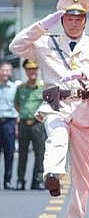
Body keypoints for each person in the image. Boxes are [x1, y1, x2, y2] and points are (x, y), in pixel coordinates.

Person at [9, 0, 89, 218]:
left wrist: (81, 73)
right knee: (56, 138)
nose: (74, 22)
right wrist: (43, 24)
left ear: (85, 21)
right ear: (62, 19)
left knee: (82, 172)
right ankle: (52, 175)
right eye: (68, 18)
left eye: (79, 18)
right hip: (56, 105)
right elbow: (17, 46)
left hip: (85, 105)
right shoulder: (46, 41)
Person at [13, 59, 46, 190]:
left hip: (37, 124)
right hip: (24, 124)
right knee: (22, 153)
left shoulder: (43, 87)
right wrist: (24, 114)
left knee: (40, 153)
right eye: (29, 69)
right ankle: (20, 180)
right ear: (26, 71)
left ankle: (37, 180)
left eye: (34, 69)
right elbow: (16, 104)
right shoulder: (21, 88)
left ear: (37, 71)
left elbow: (46, 104)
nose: (32, 72)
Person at [0, 61, 17, 189]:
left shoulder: (15, 87)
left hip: (9, 122)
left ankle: (7, 180)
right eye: (3, 70)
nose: (5, 73)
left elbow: (18, 104)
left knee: (9, 153)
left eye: (8, 70)